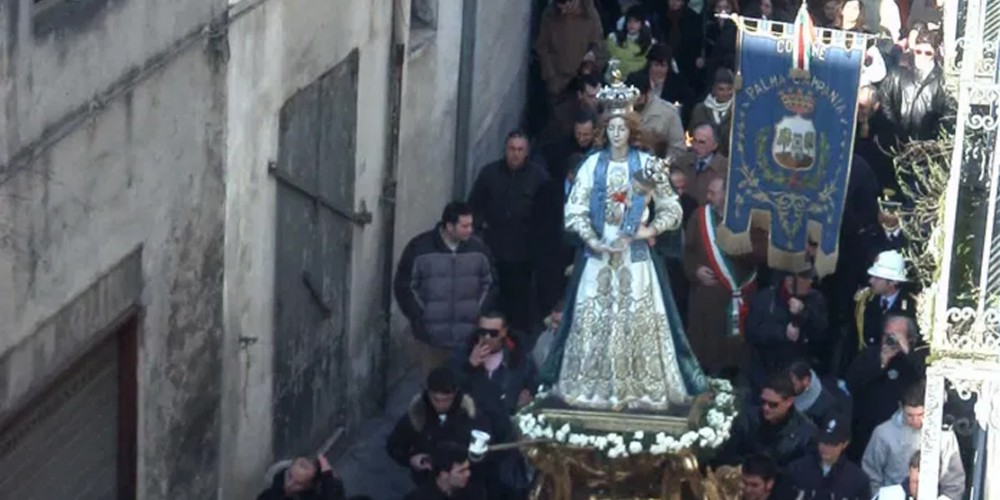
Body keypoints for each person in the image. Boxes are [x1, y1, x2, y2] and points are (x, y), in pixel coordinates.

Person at [539, 69, 708, 411]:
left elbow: (671, 210)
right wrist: (593, 239)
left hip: (636, 258)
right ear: (605, 131)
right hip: (599, 256)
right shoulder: (591, 165)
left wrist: (648, 230)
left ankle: (640, 390)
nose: (617, 134)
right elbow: (574, 210)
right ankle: (590, 389)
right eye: (611, 129)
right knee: (592, 318)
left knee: (640, 320)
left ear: (631, 131)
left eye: (622, 129)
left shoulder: (647, 164)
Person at [394, 202, 498, 376]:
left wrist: (479, 312)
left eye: (471, 224)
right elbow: (404, 286)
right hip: (431, 339)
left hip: (468, 338)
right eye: (464, 226)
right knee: (434, 389)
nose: (470, 230)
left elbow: (491, 284)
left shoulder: (479, 250)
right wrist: (421, 315)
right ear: (449, 226)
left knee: (465, 390)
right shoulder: (419, 248)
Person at [468, 132, 550, 332]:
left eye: (520, 150)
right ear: (505, 150)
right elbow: (475, 206)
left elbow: (547, 214)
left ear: (527, 152)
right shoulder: (489, 174)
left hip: (523, 254)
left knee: (519, 305)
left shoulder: (538, 178)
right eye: (512, 149)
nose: (515, 154)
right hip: (493, 250)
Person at [683, 176, 764, 375]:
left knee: (735, 353)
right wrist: (696, 270)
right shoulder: (699, 216)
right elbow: (687, 251)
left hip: (740, 295)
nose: (708, 196)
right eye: (708, 191)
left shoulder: (750, 218)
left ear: (727, 195)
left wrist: (737, 247)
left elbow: (762, 253)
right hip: (707, 299)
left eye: (713, 192)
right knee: (707, 350)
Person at [386, 367, 489, 485]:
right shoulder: (418, 415)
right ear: (429, 393)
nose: (440, 405)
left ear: (455, 394)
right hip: (427, 485)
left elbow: (487, 453)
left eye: (446, 400)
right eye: (436, 399)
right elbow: (394, 445)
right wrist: (411, 459)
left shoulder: (473, 417)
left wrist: (466, 466)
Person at [846, 315, 928, 461]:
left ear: (909, 338)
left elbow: (923, 380)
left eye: (897, 335)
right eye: (888, 335)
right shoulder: (869, 355)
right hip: (867, 429)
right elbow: (852, 383)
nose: (891, 340)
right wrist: (881, 363)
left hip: (904, 433)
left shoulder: (915, 358)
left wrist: (907, 351)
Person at [863, 382, 965, 499]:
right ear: (901, 407)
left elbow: (954, 481)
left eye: (921, 414)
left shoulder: (944, 436)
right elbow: (870, 473)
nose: (915, 420)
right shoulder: (883, 433)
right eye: (910, 415)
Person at [745, 264, 830, 391]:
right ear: (789, 280)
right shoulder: (765, 298)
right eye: (806, 278)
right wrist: (783, 332)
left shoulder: (815, 299)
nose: (811, 281)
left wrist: (803, 314)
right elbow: (752, 332)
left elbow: (822, 333)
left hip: (800, 370)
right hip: (768, 370)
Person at [717, 374, 817, 467]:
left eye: (773, 404)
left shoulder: (805, 433)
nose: (766, 407)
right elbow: (728, 454)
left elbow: (798, 471)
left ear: (789, 401)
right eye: (763, 402)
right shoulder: (748, 418)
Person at [784, 414, 871, 499]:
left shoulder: (857, 480)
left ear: (845, 444)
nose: (825, 448)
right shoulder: (797, 469)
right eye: (823, 441)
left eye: (832, 443)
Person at [535, 0, 608, 97]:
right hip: (558, 82)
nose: (563, 11)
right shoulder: (550, 15)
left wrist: (591, 62)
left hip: (583, 83)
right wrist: (550, 75)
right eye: (560, 8)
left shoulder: (590, 15)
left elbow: (599, 45)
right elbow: (542, 47)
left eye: (566, 7)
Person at [851, 250, 917, 356]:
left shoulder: (912, 306)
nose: (871, 281)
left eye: (877, 278)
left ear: (893, 282)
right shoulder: (865, 300)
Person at [625, 72, 687, 159]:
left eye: (639, 98)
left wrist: (661, 164)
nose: (635, 102)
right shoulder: (620, 110)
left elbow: (678, 149)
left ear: (648, 93)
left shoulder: (668, 113)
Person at [404, 442, 486, 500]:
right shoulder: (418, 498)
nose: (468, 474)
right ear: (443, 474)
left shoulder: (473, 494)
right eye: (461, 471)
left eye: (468, 469)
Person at [690, 68, 735, 157]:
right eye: (721, 89)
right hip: (702, 158)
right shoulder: (700, 110)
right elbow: (692, 133)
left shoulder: (738, 110)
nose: (725, 93)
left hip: (728, 160)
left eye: (729, 89)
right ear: (714, 89)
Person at [258, 455, 345, 500]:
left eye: (298, 484)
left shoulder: (328, 491)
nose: (289, 484)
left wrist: (328, 479)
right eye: (290, 476)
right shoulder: (277, 482)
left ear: (310, 486)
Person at [606, 5, 655, 77]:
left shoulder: (649, 43)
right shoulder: (614, 39)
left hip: (638, 80)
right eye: (629, 21)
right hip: (615, 79)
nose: (632, 24)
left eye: (635, 21)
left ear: (642, 24)